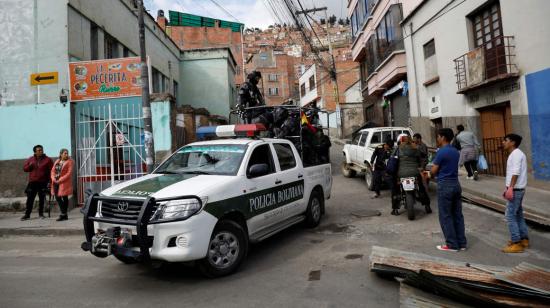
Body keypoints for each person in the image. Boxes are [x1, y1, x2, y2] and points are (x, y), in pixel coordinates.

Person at [431, 128, 466, 252]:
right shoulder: (455, 151)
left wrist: (429, 174)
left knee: (446, 216)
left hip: (445, 185)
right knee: (457, 215)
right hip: (456, 184)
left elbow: (433, 171)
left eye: (438, 136)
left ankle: (451, 244)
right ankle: (462, 243)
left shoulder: (441, 152)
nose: (437, 139)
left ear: (443, 137)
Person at [501, 134, 529, 253]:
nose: (503, 142)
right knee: (518, 214)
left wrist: (510, 188)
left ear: (512, 142)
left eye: (505, 140)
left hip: (516, 189)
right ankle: (524, 239)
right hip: (517, 189)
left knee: (510, 216)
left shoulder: (516, 154)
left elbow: (516, 172)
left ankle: (516, 242)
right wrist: (508, 187)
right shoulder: (516, 154)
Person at [394, 135, 431, 216]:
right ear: (411, 140)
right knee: (421, 187)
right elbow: (421, 158)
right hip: (415, 172)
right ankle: (427, 206)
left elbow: (393, 160)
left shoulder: (398, 149)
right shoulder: (415, 148)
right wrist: (421, 167)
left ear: (401, 141)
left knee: (396, 188)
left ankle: (395, 208)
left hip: (401, 173)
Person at [22, 145, 53, 220]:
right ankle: (27, 214)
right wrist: (30, 166)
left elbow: (52, 171)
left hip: (43, 182)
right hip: (32, 182)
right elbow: (25, 169)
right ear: (35, 152)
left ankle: (41, 214)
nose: (41, 151)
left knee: (42, 199)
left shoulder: (48, 160)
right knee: (30, 199)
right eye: (38, 150)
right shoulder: (31, 159)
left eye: (41, 150)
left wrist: (50, 182)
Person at [50, 148, 74, 221]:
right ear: (61, 154)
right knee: (57, 197)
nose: (67, 154)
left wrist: (60, 180)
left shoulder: (70, 162)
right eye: (65, 153)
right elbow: (52, 171)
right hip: (55, 182)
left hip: (64, 182)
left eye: (67, 153)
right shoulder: (58, 161)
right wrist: (53, 178)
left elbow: (69, 173)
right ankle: (64, 214)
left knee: (64, 197)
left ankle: (63, 214)